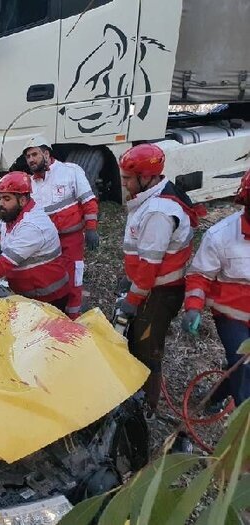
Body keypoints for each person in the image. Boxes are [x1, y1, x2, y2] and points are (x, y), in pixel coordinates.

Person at [116, 143, 201, 418]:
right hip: (149, 288)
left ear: (146, 177)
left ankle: (145, 408)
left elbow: (150, 264)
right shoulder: (153, 200)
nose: (124, 183)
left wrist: (132, 298)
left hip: (159, 292)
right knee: (135, 341)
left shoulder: (158, 212)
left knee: (146, 347)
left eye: (128, 179)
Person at [181, 169, 250, 409]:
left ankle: (214, 397)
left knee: (240, 367)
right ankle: (243, 427)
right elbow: (200, 275)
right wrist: (193, 308)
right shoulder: (220, 236)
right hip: (233, 317)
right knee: (243, 362)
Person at [0, 171, 70, 311]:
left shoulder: (32, 227)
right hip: (29, 293)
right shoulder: (13, 215)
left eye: (6, 199)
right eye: (0, 198)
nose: (0, 203)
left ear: (22, 200)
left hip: (48, 298)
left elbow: (4, 264)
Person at [23, 143, 99, 319]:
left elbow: (88, 200)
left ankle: (73, 320)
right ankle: (53, 319)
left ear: (46, 154)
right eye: (28, 157)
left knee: (73, 281)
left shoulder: (70, 171)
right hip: (46, 244)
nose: (31, 160)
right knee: (49, 282)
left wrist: (91, 228)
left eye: (34, 154)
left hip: (71, 240)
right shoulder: (30, 183)